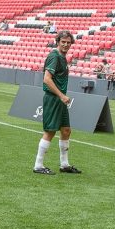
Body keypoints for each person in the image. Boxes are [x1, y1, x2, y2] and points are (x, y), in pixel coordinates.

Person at [32, 30, 81, 175]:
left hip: (60, 99)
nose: (66, 45)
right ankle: (38, 165)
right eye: (63, 42)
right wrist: (61, 95)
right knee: (50, 131)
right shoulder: (54, 57)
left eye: (68, 42)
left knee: (66, 130)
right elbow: (47, 79)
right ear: (58, 42)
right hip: (54, 98)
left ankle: (64, 164)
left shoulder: (62, 57)